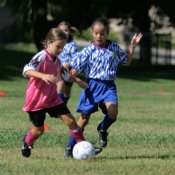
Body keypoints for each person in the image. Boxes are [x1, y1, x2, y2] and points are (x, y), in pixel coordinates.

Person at [64, 17, 143, 157]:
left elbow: (126, 61)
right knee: (83, 120)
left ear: (107, 33)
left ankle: (102, 128)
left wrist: (133, 46)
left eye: (102, 33)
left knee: (113, 112)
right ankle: (70, 148)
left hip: (108, 87)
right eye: (96, 33)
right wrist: (74, 77)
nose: (99, 36)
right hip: (91, 86)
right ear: (92, 33)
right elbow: (74, 70)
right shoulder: (88, 51)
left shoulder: (114, 48)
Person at [21, 27, 89, 158]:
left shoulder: (57, 61)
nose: (60, 50)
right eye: (58, 46)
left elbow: (65, 76)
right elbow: (26, 70)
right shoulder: (41, 56)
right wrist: (42, 75)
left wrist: (78, 81)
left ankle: (82, 145)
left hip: (52, 98)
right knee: (39, 130)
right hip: (37, 100)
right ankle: (27, 142)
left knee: (71, 121)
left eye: (62, 47)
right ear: (48, 43)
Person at [57, 21, 79, 104]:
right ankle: (59, 106)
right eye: (62, 31)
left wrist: (68, 64)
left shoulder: (72, 45)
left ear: (69, 32)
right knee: (60, 88)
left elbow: (75, 58)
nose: (64, 32)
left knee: (67, 91)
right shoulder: (56, 43)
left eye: (66, 30)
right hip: (58, 70)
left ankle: (65, 100)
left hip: (69, 71)